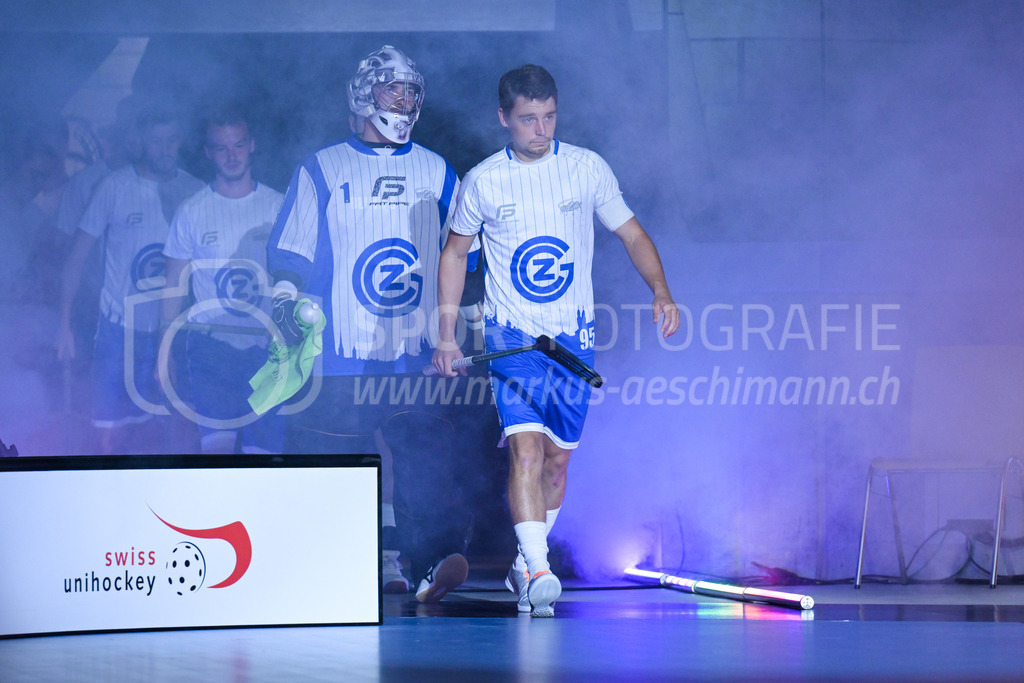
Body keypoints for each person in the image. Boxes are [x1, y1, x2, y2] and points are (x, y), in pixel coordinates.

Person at [433, 64, 681, 617]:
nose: (540, 130)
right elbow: (453, 254)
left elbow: (632, 233)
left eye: (548, 117)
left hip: (574, 337)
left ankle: (525, 565)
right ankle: (540, 569)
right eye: (527, 120)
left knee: (556, 463)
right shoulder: (483, 180)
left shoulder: (586, 169)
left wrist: (661, 291)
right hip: (512, 336)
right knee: (524, 448)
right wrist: (446, 335)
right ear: (503, 119)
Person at [266, 45, 480, 601]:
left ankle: (431, 562)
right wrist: (284, 304)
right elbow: (291, 252)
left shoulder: (436, 170)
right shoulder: (322, 167)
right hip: (341, 352)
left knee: (425, 460)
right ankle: (325, 561)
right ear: (364, 92)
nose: (405, 99)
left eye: (412, 89)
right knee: (333, 462)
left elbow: (466, 256)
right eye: (393, 88)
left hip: (415, 348)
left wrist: (460, 326)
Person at [57, 102, 203, 455]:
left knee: (171, 436)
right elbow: (75, 260)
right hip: (118, 334)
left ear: (180, 141)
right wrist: (63, 325)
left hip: (172, 335)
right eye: (156, 141)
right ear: (141, 141)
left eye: (171, 140)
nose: (164, 150)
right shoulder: (114, 186)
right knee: (110, 438)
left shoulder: (196, 191)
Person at [160, 106, 285, 454]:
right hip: (210, 349)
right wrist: (164, 351)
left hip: (268, 349)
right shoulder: (192, 211)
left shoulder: (279, 207)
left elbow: (299, 283)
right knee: (216, 456)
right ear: (208, 152)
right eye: (222, 148)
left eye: (239, 145)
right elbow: (173, 285)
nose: (232, 156)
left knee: (264, 457)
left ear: (252, 145)